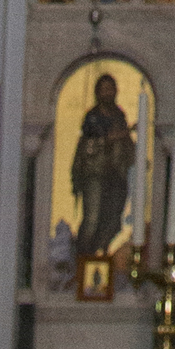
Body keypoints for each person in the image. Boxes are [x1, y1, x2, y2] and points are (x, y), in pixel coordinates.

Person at [71, 70, 136, 258]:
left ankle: (100, 253)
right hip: (95, 174)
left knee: (114, 218)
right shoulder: (92, 116)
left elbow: (125, 143)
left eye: (111, 89)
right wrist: (126, 131)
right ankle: (83, 258)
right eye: (104, 89)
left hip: (116, 175)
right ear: (98, 92)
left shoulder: (118, 115)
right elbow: (100, 137)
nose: (108, 93)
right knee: (92, 218)